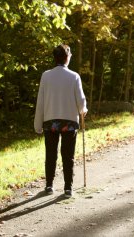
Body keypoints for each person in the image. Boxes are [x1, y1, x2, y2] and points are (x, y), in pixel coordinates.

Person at [34, 44, 87, 198]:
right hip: (69, 121)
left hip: (50, 121)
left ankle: (49, 185)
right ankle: (68, 188)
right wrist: (83, 110)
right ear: (67, 57)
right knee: (68, 155)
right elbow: (81, 100)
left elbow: (41, 102)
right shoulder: (74, 76)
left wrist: (38, 124)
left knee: (51, 154)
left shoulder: (46, 75)